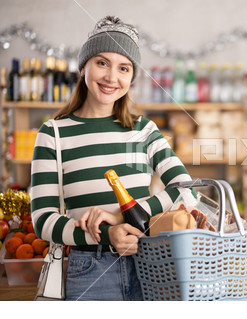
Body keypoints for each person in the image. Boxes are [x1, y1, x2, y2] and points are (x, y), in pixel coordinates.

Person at [30, 16, 195, 301]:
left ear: (131, 78)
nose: (111, 77)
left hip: (152, 265)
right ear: (84, 67)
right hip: (90, 269)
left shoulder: (144, 130)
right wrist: (108, 234)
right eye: (102, 63)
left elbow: (184, 188)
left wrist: (121, 216)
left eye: (124, 68)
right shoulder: (53, 134)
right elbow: (42, 220)